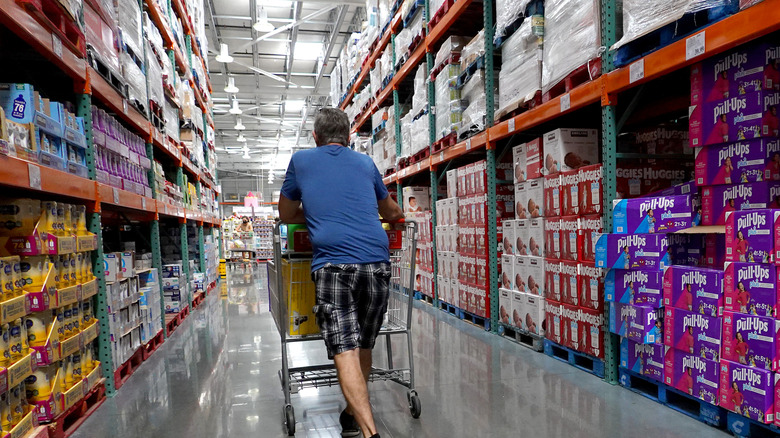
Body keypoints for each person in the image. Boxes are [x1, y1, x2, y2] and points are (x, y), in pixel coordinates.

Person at [278, 107, 404, 438]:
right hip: (377, 264)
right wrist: (399, 212)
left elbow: (287, 213)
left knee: (345, 348)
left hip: (333, 267)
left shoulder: (301, 161)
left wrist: (318, 212)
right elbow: (390, 210)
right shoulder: (365, 163)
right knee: (363, 344)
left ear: (315, 137)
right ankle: (351, 415)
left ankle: (370, 432)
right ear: (348, 138)